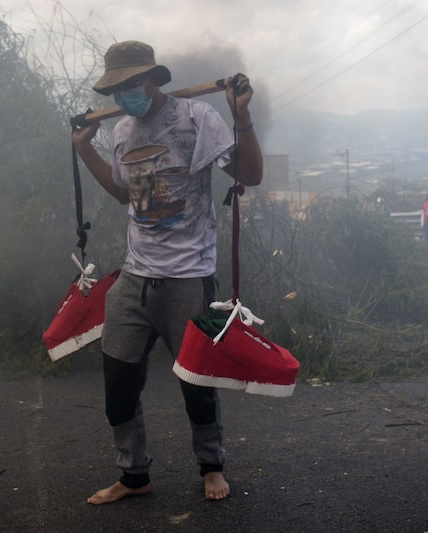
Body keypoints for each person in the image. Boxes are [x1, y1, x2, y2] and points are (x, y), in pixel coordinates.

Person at [71, 40, 263, 505]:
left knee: (196, 380)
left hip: (188, 275)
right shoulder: (121, 132)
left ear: (153, 80)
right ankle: (134, 475)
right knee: (117, 382)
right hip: (135, 275)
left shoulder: (198, 119)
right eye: (115, 90)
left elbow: (251, 175)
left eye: (130, 85)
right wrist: (84, 151)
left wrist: (241, 117)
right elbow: (123, 195)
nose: (122, 98)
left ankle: (211, 466)